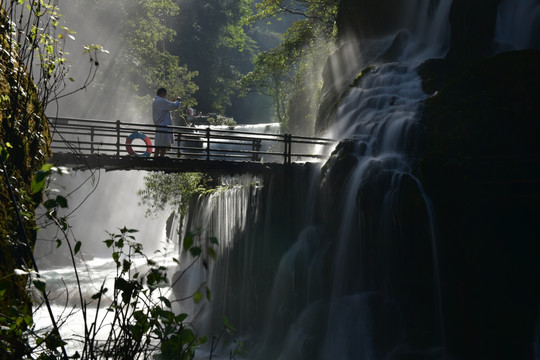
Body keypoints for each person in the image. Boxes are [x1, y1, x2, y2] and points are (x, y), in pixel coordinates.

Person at [152, 87, 181, 157]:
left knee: (158, 145)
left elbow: (167, 106)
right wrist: (178, 100)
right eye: (165, 94)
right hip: (164, 126)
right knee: (163, 146)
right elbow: (174, 106)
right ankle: (160, 160)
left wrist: (172, 102)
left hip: (159, 126)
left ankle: (154, 160)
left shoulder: (156, 101)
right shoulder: (161, 101)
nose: (165, 95)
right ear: (163, 93)